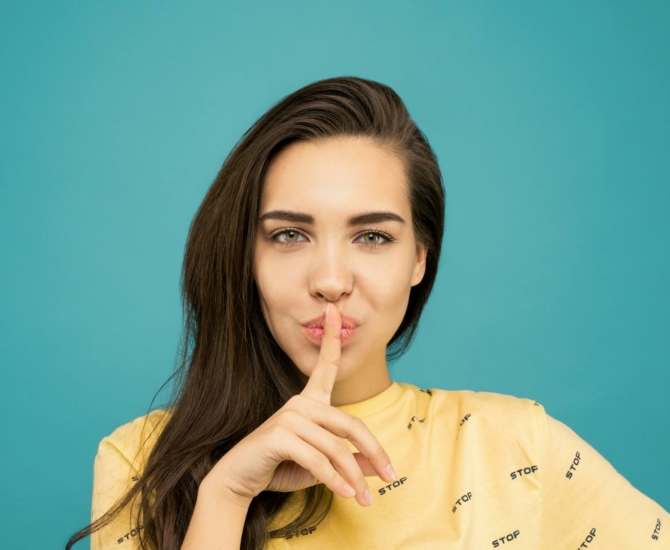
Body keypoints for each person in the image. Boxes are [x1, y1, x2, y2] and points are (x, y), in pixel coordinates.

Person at [66, 76, 669, 550]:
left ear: (419, 260)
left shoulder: (516, 447)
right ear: (243, 258)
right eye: (288, 236)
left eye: (373, 237)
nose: (330, 282)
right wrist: (228, 492)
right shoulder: (141, 461)